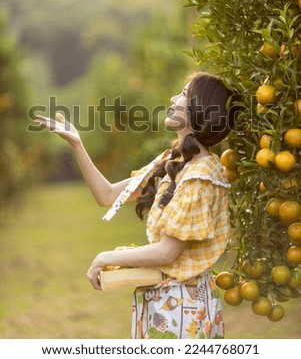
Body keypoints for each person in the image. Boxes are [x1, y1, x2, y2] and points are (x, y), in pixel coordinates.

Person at [35, 72, 240, 339]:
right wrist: (77, 144)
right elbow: (107, 195)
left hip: (183, 310)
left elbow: (167, 253)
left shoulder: (199, 176)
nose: (173, 98)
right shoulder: (175, 160)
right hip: (165, 302)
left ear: (199, 108)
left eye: (184, 93)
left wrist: (105, 258)